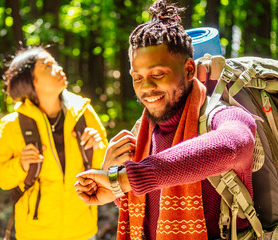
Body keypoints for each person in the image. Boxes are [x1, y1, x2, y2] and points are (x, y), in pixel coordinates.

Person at [75, 1, 257, 239]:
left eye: (158, 74)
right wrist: (115, 188)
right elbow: (148, 210)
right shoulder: (141, 135)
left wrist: (126, 178)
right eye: (137, 77)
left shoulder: (221, 116)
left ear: (189, 70)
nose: (146, 88)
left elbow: (236, 143)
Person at [0, 46, 108, 240]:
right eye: (47, 66)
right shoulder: (12, 124)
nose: (58, 68)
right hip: (36, 232)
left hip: (82, 229)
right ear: (31, 82)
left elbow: (105, 166)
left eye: (55, 63)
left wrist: (98, 148)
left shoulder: (84, 112)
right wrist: (20, 165)